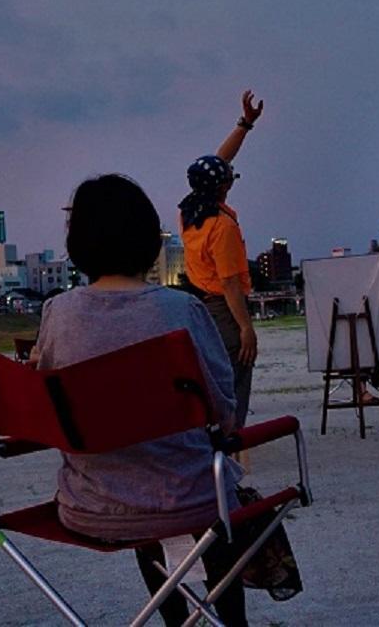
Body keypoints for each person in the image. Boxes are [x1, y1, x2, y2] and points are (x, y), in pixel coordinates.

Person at [38, 174, 249, 627]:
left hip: (90, 506)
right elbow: (224, 414)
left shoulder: (57, 314)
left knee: (140, 478)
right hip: (188, 500)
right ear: (148, 237)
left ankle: (175, 618)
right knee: (211, 488)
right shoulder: (182, 311)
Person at [179, 90, 264, 428]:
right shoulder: (222, 226)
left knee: (211, 379)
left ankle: (210, 443)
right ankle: (228, 448)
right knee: (235, 378)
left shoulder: (189, 213)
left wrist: (245, 125)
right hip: (225, 310)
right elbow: (229, 282)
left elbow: (218, 161)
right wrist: (246, 328)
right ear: (223, 187)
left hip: (202, 310)